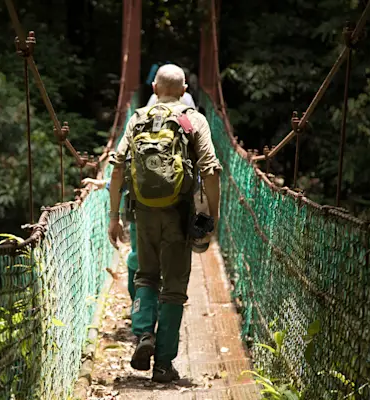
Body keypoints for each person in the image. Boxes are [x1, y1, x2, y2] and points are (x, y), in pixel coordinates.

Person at [107, 63, 222, 383]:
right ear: (185, 91)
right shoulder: (193, 119)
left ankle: (143, 334)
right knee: (173, 289)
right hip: (179, 213)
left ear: (154, 89)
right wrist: (212, 217)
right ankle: (163, 365)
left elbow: (117, 169)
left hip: (142, 212)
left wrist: (114, 217)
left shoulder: (138, 118)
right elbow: (211, 171)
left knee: (145, 276)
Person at [82, 177, 139, 301]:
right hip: (175, 215)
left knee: (139, 263)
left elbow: (122, 170)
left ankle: (140, 311)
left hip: (142, 212)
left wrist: (114, 217)